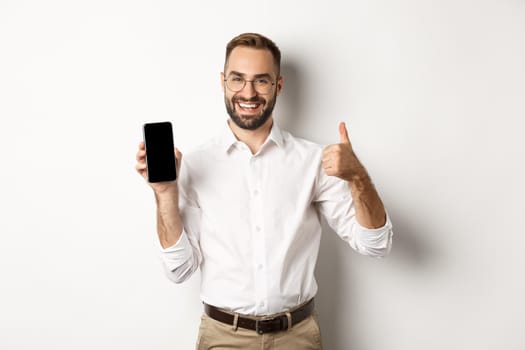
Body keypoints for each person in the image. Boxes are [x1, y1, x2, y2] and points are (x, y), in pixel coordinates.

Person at [135, 32, 393, 350]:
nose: (248, 92)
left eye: (261, 81)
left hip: (297, 338)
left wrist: (358, 177)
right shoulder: (194, 165)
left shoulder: (314, 161)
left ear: (278, 86)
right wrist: (164, 194)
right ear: (222, 82)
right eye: (238, 79)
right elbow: (179, 269)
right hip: (222, 338)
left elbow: (375, 244)